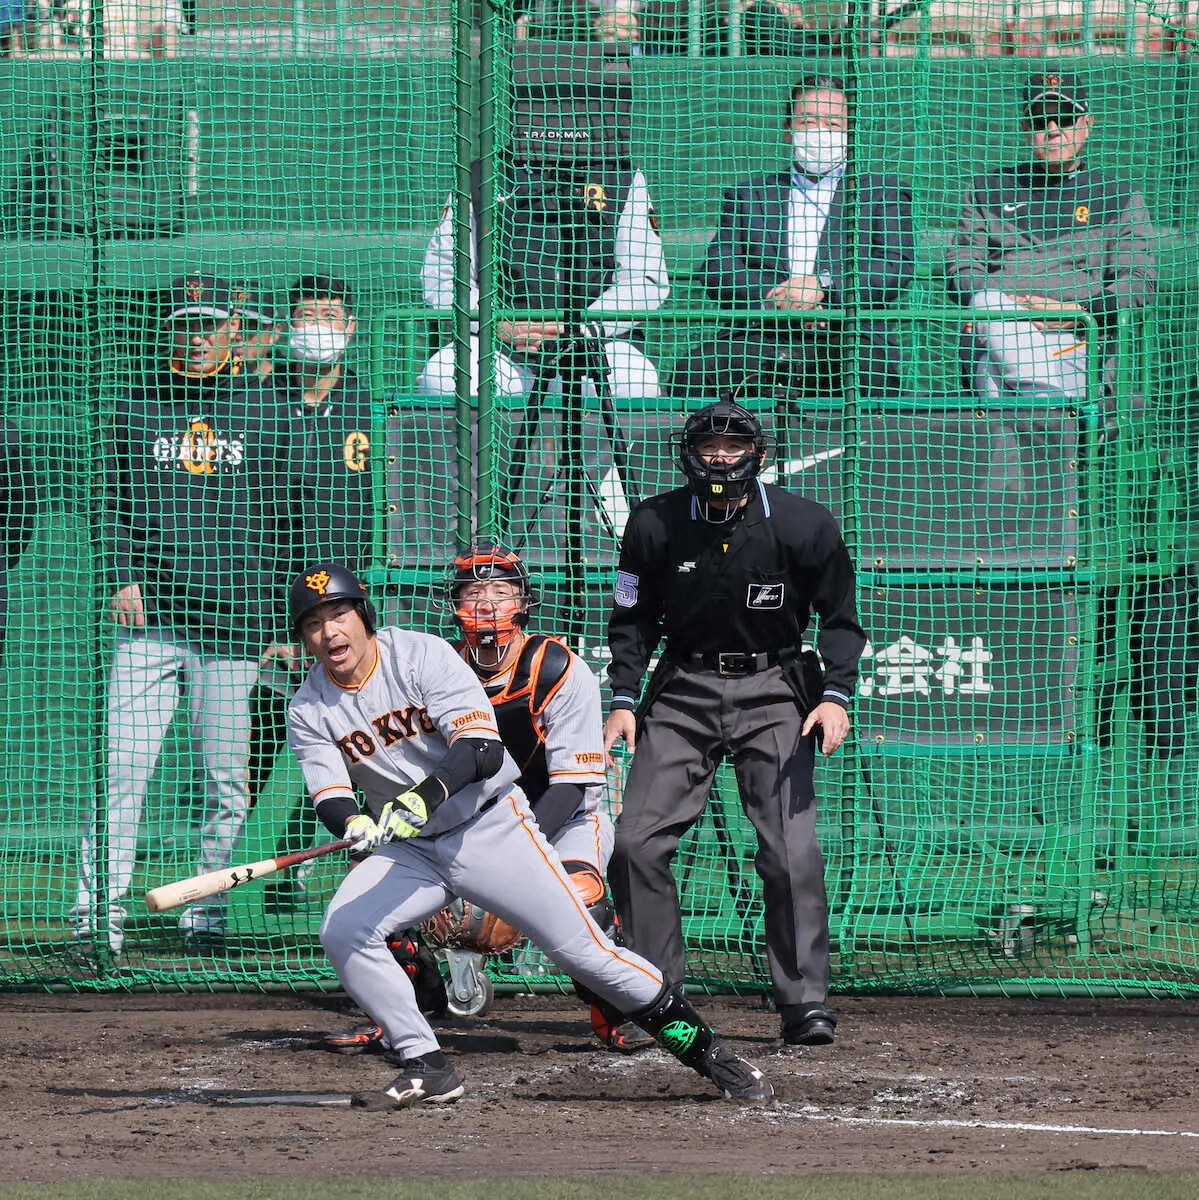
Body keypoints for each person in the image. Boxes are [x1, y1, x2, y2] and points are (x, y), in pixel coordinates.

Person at [285, 561, 774, 1106]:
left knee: (585, 952)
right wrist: (351, 821)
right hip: (413, 847)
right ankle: (425, 1062)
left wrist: (422, 798)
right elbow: (329, 790)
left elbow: (482, 749)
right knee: (344, 929)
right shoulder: (309, 706)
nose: (330, 632)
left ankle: (710, 1054)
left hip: (489, 827)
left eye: (340, 614)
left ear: (364, 617)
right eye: (314, 623)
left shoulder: (420, 654)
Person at [602, 400, 865, 1048]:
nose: (719, 457)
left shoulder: (804, 525)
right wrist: (623, 699)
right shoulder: (651, 524)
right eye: (708, 445)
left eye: (732, 446)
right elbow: (631, 621)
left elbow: (839, 619)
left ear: (759, 456)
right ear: (686, 453)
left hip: (774, 690)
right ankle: (655, 1000)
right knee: (634, 843)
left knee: (790, 852)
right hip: (682, 690)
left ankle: (803, 1003)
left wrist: (834, 695)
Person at [322, 544, 654, 1055]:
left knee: (584, 894)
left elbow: (569, 784)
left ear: (523, 601)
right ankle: (403, 1006)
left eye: (501, 592)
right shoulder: (433, 664)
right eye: (473, 593)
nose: (487, 605)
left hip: (560, 816)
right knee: (365, 901)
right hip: (455, 824)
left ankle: (612, 1014)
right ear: (453, 604)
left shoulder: (557, 667)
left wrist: (515, 862)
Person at [70, 274, 303, 959]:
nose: (196, 337)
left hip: (232, 630)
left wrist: (280, 624)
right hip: (154, 627)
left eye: (208, 325)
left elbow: (288, 523)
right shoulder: (136, 406)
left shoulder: (267, 410)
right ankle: (96, 921)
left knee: (224, 783)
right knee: (120, 773)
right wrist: (121, 577)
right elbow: (106, 504)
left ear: (234, 331)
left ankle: (204, 917)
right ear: (167, 331)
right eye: (183, 325)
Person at [670, 74, 914, 402]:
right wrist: (780, 296)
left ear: (850, 132)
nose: (820, 133)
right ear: (788, 130)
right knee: (695, 368)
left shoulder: (880, 193)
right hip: (761, 331)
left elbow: (895, 268)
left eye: (832, 123)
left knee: (869, 369)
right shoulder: (751, 194)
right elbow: (718, 268)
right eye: (808, 121)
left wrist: (823, 288)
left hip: (846, 333)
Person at [250, 275, 375, 908]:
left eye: (330, 314)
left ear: (351, 328)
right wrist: (280, 625)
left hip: (355, 616)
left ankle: (313, 858)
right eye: (306, 314)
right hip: (279, 617)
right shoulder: (260, 405)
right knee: (267, 742)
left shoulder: (370, 404)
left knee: (357, 740)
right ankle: (235, 880)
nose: (317, 325)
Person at [945, 72, 1156, 403]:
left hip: (1078, 336)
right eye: (1041, 121)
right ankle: (1052, 409)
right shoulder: (988, 188)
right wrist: (1009, 314)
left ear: (1087, 123)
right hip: (999, 333)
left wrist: (1074, 311)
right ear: (1026, 129)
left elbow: (1139, 280)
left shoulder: (1119, 196)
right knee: (987, 309)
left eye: (1066, 119)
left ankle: (1044, 404)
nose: (1053, 130)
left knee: (1000, 385)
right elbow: (963, 265)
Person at [416, 156, 669, 401]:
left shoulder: (621, 175)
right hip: (501, 350)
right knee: (445, 377)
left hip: (595, 347)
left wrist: (580, 329)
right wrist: (497, 322)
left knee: (636, 380)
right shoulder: (480, 173)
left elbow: (645, 281)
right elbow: (442, 277)